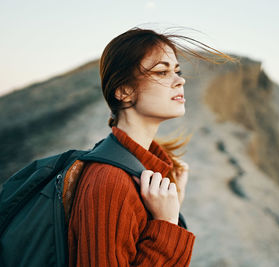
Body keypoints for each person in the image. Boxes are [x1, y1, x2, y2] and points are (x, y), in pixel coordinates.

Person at [67, 26, 236, 266]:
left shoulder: (141, 171)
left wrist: (174, 204)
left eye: (177, 70)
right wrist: (166, 223)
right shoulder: (110, 182)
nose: (180, 80)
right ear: (124, 91)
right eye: (161, 72)